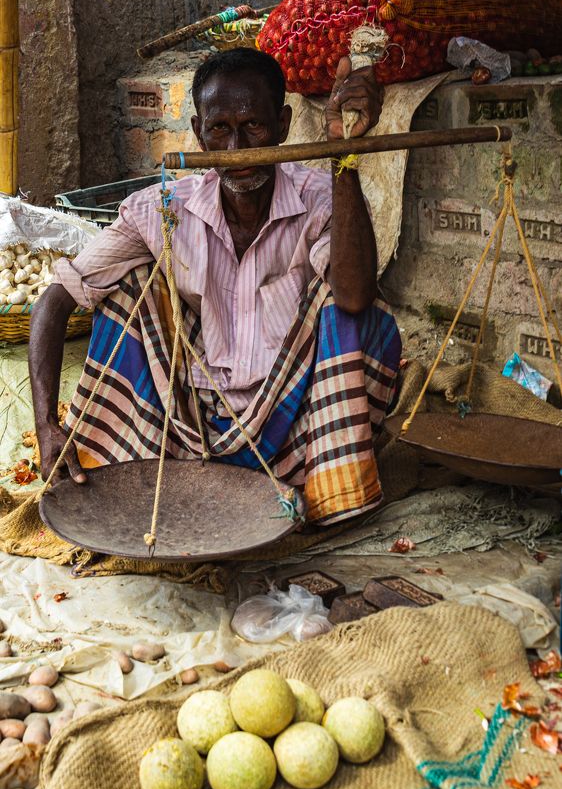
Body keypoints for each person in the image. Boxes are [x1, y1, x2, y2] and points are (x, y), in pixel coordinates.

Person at [29, 49, 401, 527]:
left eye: (254, 126)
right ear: (199, 131)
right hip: (193, 426)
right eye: (220, 128)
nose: (237, 148)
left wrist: (342, 152)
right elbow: (56, 300)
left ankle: (334, 492)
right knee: (127, 291)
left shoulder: (321, 197)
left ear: (283, 125)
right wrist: (45, 425)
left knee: (350, 310)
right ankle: (130, 474)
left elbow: (354, 295)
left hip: (296, 424)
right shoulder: (162, 210)